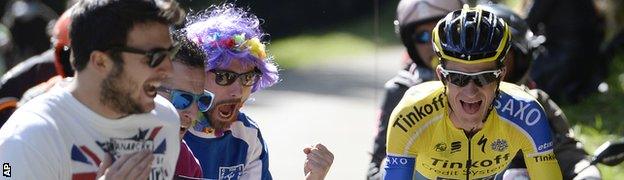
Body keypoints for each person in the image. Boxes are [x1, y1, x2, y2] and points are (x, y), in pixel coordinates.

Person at [0, 0, 185, 179]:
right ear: (101, 61)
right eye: (155, 56)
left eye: (170, 53)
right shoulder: (27, 138)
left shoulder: (165, 120)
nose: (168, 69)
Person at [384, 4, 562, 179]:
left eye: (484, 77)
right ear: (442, 77)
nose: (471, 91)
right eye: (457, 78)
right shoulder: (410, 117)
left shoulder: (527, 115)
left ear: (500, 77)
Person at [179, 4, 278, 179]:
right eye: (224, 77)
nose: (238, 92)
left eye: (247, 78)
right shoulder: (166, 126)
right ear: (195, 76)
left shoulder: (248, 135)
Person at [368, 1, 464, 179]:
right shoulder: (399, 91)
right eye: (421, 37)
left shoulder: (485, 80)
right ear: (411, 44)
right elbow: (374, 169)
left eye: (441, 33)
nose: (433, 45)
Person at [161, 31, 210, 179]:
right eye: (182, 99)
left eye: (202, 100)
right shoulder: (97, 144)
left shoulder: (189, 164)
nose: (194, 114)